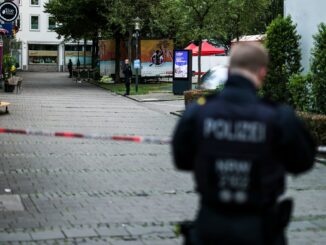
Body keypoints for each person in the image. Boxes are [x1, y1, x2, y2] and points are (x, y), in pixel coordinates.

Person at [172, 43, 316, 245]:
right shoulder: (277, 116)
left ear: (229, 69)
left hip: (210, 226)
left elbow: (181, 160)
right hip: (259, 229)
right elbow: (303, 162)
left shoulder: (199, 112)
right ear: (262, 72)